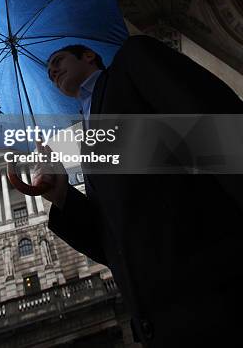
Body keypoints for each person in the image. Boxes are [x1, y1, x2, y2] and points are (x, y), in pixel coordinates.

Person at [34, 35, 243, 347]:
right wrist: (62, 194)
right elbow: (114, 243)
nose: (52, 72)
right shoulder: (86, 138)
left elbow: (216, 122)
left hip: (223, 290)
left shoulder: (131, 63)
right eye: (49, 73)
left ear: (89, 55)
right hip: (167, 325)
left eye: (58, 61)